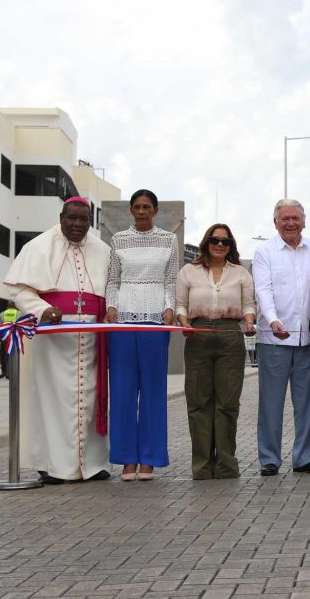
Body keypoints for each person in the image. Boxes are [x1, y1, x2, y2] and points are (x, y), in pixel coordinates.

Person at [3, 197, 111, 484]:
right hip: (53, 338)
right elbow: (20, 290)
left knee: (89, 396)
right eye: (71, 218)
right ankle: (53, 465)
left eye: (84, 220)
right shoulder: (38, 247)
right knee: (52, 400)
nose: (77, 225)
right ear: (61, 217)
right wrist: (42, 310)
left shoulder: (102, 250)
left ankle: (92, 463)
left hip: (91, 338)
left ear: (91, 221)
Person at [105, 189, 179, 482]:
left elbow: (172, 279)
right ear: (131, 211)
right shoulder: (118, 239)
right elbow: (113, 279)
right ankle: (126, 460)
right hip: (122, 321)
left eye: (147, 207)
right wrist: (111, 305)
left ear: (155, 210)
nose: (141, 211)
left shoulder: (168, 239)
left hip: (155, 321)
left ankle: (149, 459)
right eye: (136, 207)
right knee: (122, 390)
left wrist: (170, 307)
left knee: (153, 391)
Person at [252, 199, 310, 476]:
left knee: (308, 403)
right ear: (275, 222)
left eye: (296, 218)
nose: (291, 223)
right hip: (273, 341)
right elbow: (263, 291)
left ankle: (305, 457)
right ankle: (269, 458)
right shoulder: (264, 252)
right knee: (270, 403)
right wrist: (273, 321)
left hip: (308, 340)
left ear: (304, 220)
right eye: (285, 219)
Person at [176, 223, 256, 480]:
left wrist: (250, 321)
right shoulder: (188, 271)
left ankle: (225, 464)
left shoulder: (241, 273)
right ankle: (201, 466)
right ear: (206, 242)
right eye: (214, 240)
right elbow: (180, 304)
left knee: (228, 403)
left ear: (231, 245)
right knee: (198, 403)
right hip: (197, 335)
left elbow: (248, 304)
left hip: (229, 334)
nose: (220, 245)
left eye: (225, 241)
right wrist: (184, 322)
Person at [0, 302, 19, 379]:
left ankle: (4, 372)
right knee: (13, 355)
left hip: (4, 338)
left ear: (7, 306)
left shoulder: (2, 314)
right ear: (15, 306)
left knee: (4, 356)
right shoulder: (19, 313)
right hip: (15, 337)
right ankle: (10, 373)